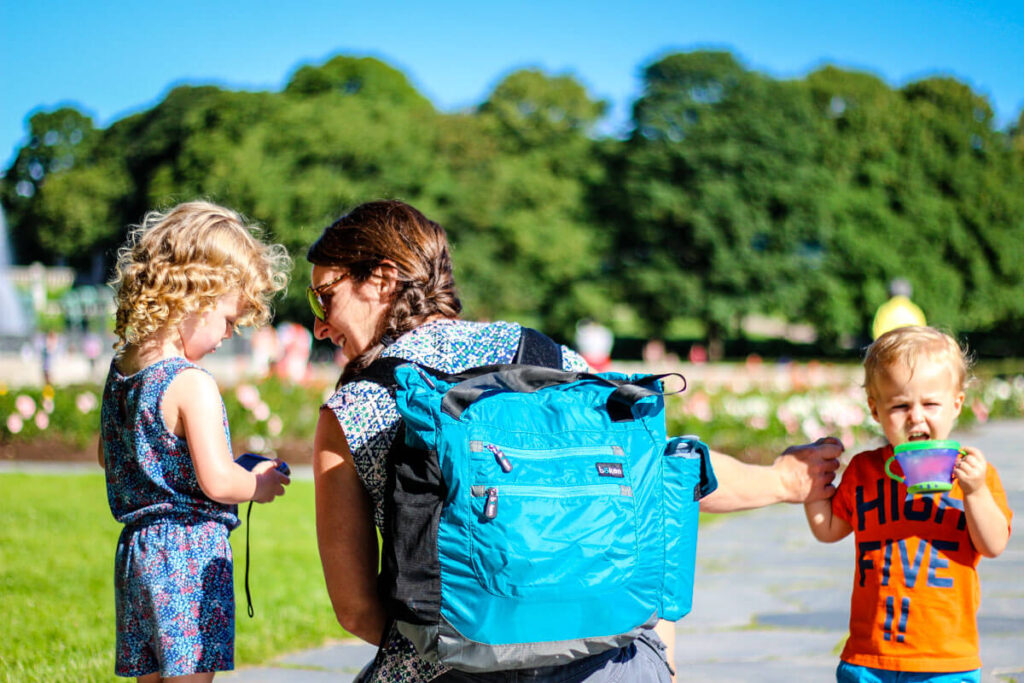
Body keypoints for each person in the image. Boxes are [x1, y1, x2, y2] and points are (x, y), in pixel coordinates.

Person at [308, 199, 843, 683]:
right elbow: (654, 475)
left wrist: (482, 647)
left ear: (381, 279)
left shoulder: (353, 408)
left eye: (323, 296)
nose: (318, 326)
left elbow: (357, 610)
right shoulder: (539, 355)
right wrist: (783, 479)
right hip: (607, 662)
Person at [99, 201, 293, 682]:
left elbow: (110, 457)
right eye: (229, 320)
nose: (229, 335)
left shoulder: (122, 372)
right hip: (189, 554)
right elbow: (218, 481)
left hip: (138, 553)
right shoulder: (190, 381)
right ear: (195, 295)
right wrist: (257, 484)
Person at [803, 326, 1012, 682]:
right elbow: (828, 529)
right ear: (875, 409)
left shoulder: (973, 472)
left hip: (945, 659)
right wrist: (811, 483)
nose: (916, 416)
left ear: (956, 404)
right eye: (900, 405)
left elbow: (993, 545)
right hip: (870, 656)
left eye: (930, 403)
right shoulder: (865, 470)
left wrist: (975, 492)